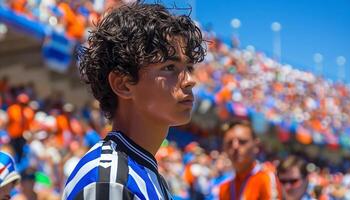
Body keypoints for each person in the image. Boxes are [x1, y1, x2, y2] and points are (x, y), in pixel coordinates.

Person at [62, 1, 205, 200]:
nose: (190, 80)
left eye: (188, 67)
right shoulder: (110, 180)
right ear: (123, 84)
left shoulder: (143, 174)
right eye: (169, 67)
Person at [218, 120, 282, 199]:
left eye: (242, 142)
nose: (235, 146)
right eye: (229, 143)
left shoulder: (265, 179)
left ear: (256, 146)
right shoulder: (224, 188)